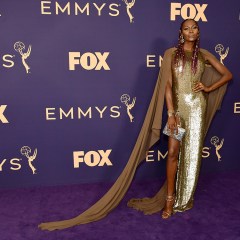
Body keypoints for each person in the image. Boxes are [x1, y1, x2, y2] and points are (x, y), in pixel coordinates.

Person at [38, 19, 232, 231]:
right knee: (174, 152)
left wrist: (208, 87)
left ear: (198, 31)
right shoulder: (170, 54)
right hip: (176, 110)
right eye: (186, 28)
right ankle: (168, 200)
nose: (191, 31)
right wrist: (170, 113)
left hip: (196, 109)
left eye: (194, 27)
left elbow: (227, 74)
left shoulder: (204, 55)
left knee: (192, 155)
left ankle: (184, 199)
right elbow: (168, 85)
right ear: (181, 32)